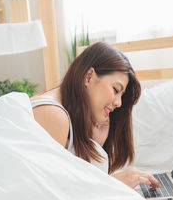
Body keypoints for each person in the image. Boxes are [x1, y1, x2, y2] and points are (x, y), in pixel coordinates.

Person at [31, 42, 160, 190]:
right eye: (116, 89)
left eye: (121, 95)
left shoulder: (62, 113)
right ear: (89, 76)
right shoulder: (52, 114)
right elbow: (52, 196)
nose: (118, 103)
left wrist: (95, 143)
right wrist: (113, 184)